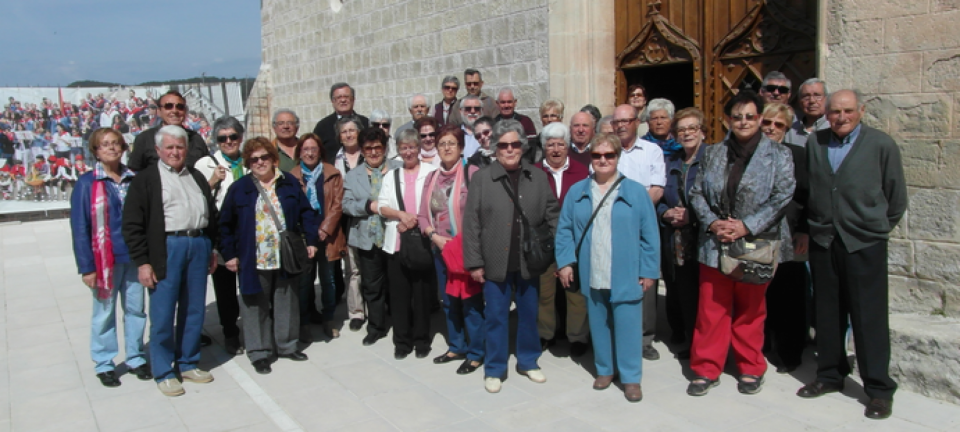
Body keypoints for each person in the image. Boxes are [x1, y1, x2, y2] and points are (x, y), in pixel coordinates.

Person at [797, 89, 907, 420]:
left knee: (868, 316)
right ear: (825, 114)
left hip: (864, 243)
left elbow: (896, 196)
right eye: (834, 112)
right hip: (824, 241)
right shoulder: (815, 144)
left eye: (847, 111)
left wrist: (874, 228)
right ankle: (830, 375)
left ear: (860, 110)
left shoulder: (880, 144)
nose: (840, 117)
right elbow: (811, 190)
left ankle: (878, 389)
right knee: (828, 312)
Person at [686, 90, 795, 396]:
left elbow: (782, 196)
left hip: (756, 245)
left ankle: (750, 366)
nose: (744, 122)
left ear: (760, 119)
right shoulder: (714, 152)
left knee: (751, 309)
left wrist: (746, 226)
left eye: (750, 116)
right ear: (728, 120)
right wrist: (713, 222)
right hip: (715, 242)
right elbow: (696, 193)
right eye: (737, 117)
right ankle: (707, 367)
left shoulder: (779, 155)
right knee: (711, 309)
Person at [556, 132, 660, 402]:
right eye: (597, 155)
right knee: (599, 322)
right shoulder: (577, 191)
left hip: (625, 270)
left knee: (627, 324)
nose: (603, 160)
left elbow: (650, 235)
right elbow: (564, 229)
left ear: (618, 156)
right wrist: (566, 262)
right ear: (590, 158)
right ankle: (604, 369)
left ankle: (631, 377)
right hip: (593, 268)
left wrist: (648, 270)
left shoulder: (635, 191)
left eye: (609, 155)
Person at [122, 125, 219, 397]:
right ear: (158, 150)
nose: (175, 152)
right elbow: (132, 224)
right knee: (163, 313)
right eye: (170, 147)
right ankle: (164, 371)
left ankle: (188, 362)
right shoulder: (146, 180)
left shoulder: (197, 176)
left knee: (194, 310)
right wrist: (142, 261)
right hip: (167, 248)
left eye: (180, 147)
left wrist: (212, 248)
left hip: (198, 244)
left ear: (186, 150)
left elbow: (211, 214)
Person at [463, 119, 559, 394]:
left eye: (515, 144)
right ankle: (494, 367)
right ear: (495, 148)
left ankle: (528, 361)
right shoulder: (482, 179)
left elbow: (553, 213)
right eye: (503, 145)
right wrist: (475, 262)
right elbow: (471, 224)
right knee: (496, 316)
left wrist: (552, 250)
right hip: (495, 260)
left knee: (529, 314)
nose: (509, 149)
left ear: (523, 146)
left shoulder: (538, 177)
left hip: (530, 260)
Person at [218, 137, 321, 375]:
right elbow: (225, 224)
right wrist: (230, 255)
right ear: (248, 163)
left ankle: (287, 345)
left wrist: (311, 240)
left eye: (264, 157)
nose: (260, 162)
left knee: (287, 301)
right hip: (253, 258)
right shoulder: (239, 188)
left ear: (273, 159)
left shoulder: (289, 184)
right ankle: (260, 352)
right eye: (254, 159)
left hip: (284, 255)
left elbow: (306, 213)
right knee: (255, 305)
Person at [70, 128, 151, 388]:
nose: (112, 148)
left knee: (136, 310)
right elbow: (80, 228)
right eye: (105, 145)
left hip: (134, 256)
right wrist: (87, 267)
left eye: (116, 143)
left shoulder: (134, 178)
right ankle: (104, 362)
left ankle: (136, 357)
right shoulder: (87, 183)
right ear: (95, 150)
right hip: (104, 260)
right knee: (104, 313)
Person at [420, 125, 484, 374]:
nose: (446, 148)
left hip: (467, 250)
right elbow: (423, 215)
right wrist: (433, 236)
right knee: (448, 301)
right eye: (442, 144)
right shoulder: (431, 178)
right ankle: (456, 345)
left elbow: (482, 213)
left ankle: (477, 352)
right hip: (441, 250)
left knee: (471, 302)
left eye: (452, 143)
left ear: (460, 148)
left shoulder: (473, 173)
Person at [376, 128, 438, 359]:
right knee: (399, 296)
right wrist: (402, 215)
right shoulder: (391, 176)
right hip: (397, 243)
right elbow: (382, 206)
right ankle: (402, 342)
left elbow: (437, 204)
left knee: (422, 296)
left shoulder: (432, 172)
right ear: (399, 151)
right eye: (404, 148)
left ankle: (422, 340)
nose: (409, 151)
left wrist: (413, 222)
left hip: (421, 242)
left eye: (412, 147)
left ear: (419, 149)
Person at [759, 102, 810, 374]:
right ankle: (763, 344)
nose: (771, 128)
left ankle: (790, 352)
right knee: (760, 293)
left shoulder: (799, 156)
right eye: (767, 122)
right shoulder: (750, 155)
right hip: (758, 238)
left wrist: (805, 230)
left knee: (790, 295)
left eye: (778, 125)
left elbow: (809, 195)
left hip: (791, 235)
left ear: (787, 129)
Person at [612, 103, 665, 360]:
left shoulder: (652, 151)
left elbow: (656, 189)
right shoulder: (606, 152)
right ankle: (617, 333)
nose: (621, 125)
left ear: (637, 122)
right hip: (612, 226)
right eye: (617, 121)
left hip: (642, 225)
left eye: (626, 120)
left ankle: (645, 339)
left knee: (645, 281)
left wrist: (630, 211)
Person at [342, 127, 402, 346]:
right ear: (362, 151)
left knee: (398, 283)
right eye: (369, 148)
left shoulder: (398, 168)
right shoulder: (353, 175)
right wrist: (369, 206)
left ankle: (402, 322)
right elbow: (346, 205)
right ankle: (376, 326)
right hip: (368, 238)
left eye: (378, 147)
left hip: (395, 237)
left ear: (385, 148)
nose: (374, 152)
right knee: (372, 285)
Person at [192, 116, 247, 355]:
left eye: (233, 136)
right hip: (221, 234)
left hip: (246, 233)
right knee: (224, 288)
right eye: (222, 138)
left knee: (250, 286)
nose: (228, 141)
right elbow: (195, 198)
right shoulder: (205, 163)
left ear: (240, 137)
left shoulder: (248, 162)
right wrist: (212, 181)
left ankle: (254, 330)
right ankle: (230, 332)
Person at [534, 122, 590, 355]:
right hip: (543, 242)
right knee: (545, 293)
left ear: (567, 146)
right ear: (544, 147)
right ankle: (546, 334)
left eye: (560, 144)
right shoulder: (534, 171)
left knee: (575, 293)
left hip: (574, 242)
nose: (556, 149)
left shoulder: (583, 171)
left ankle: (577, 337)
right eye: (550, 145)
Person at [657, 108, 707, 360]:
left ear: (702, 131)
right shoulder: (672, 160)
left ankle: (702, 344)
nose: (687, 133)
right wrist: (665, 212)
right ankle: (687, 335)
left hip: (703, 237)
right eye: (682, 129)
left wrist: (693, 215)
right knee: (680, 288)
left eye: (692, 128)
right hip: (675, 237)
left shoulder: (712, 159)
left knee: (702, 293)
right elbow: (660, 195)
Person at [290, 133, 346, 340]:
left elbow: (338, 205)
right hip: (305, 238)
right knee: (305, 281)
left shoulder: (332, 174)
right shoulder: (292, 176)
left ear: (320, 151)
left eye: (314, 149)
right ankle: (304, 321)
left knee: (329, 280)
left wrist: (324, 229)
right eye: (305, 149)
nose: (310, 153)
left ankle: (328, 319)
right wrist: (308, 234)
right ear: (300, 152)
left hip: (328, 236)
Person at [333, 116, 367, 331]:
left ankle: (375, 307)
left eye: (352, 130)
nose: (348, 134)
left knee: (372, 267)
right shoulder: (334, 160)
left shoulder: (370, 154)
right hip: (345, 219)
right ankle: (356, 312)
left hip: (369, 217)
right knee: (353, 268)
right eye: (344, 131)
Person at [127, 91, 210, 171]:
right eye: (168, 106)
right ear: (159, 111)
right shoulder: (144, 139)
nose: (174, 111)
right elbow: (134, 172)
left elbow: (207, 169)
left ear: (185, 112)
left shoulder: (195, 139)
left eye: (180, 107)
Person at [312, 83, 370, 163]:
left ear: (353, 99)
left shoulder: (365, 123)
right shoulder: (322, 127)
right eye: (339, 97)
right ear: (333, 101)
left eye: (346, 97)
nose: (343, 100)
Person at [785, 78, 830, 146]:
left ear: (827, 99)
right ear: (799, 102)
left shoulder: (833, 127)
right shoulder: (790, 129)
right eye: (806, 96)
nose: (812, 101)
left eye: (817, 95)